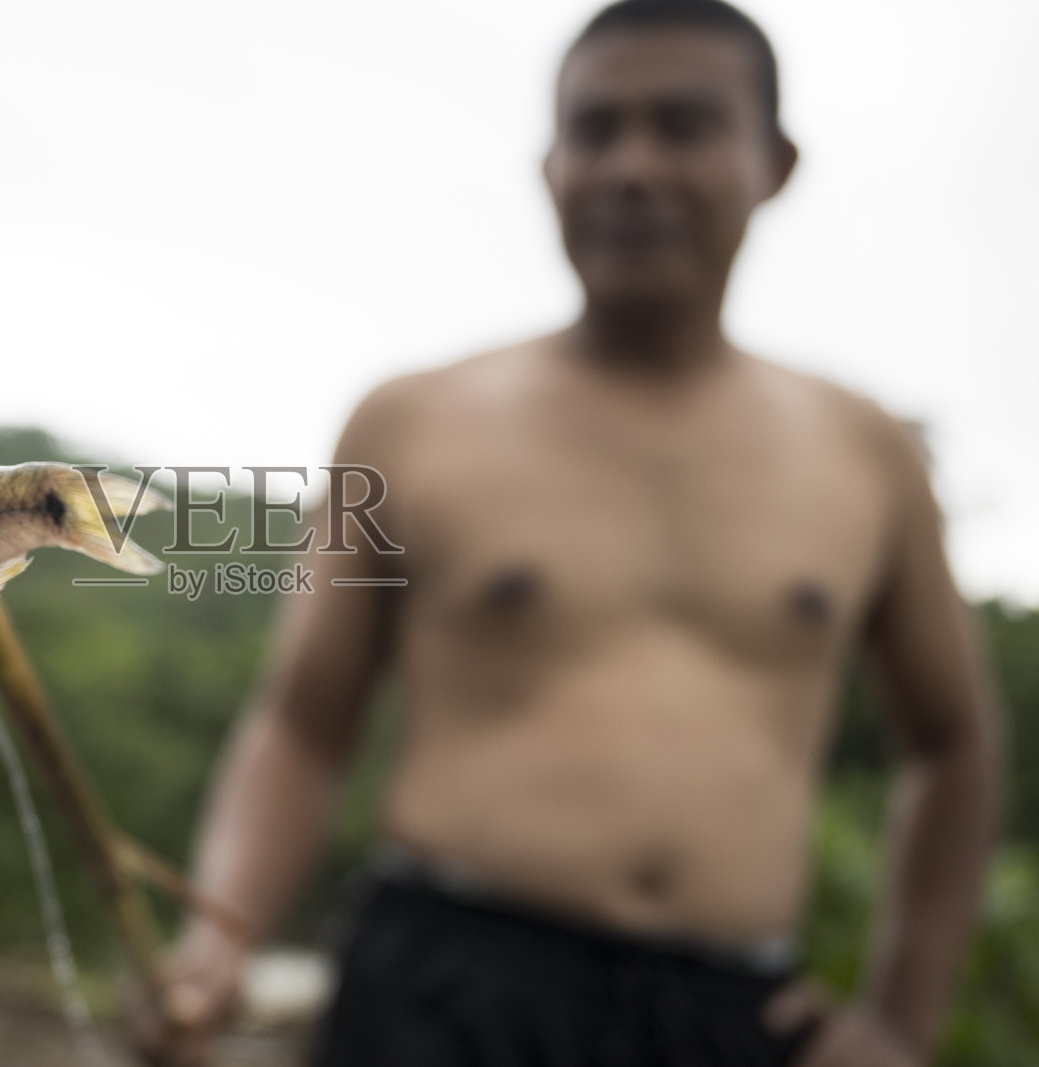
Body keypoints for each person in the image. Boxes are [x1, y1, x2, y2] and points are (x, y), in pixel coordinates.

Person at [129, 1, 1002, 1064]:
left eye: (681, 125)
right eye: (594, 129)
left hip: (724, 1019)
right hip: (437, 995)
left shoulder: (866, 455)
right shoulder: (408, 420)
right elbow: (303, 723)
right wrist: (219, 938)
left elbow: (952, 742)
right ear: (550, 165)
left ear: (771, 161)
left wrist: (899, 1021)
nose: (632, 167)